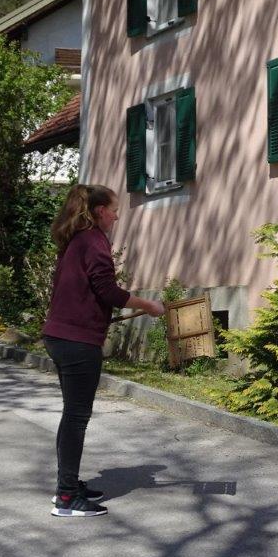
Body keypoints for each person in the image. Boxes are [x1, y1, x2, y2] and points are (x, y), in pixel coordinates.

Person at [44, 185, 165, 517]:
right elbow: (108, 291)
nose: (117, 216)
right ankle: (67, 497)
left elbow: (85, 292)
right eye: (114, 209)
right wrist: (149, 305)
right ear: (100, 211)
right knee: (76, 417)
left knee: (71, 415)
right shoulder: (94, 241)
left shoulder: (76, 240)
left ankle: (67, 485)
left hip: (60, 336)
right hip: (77, 342)